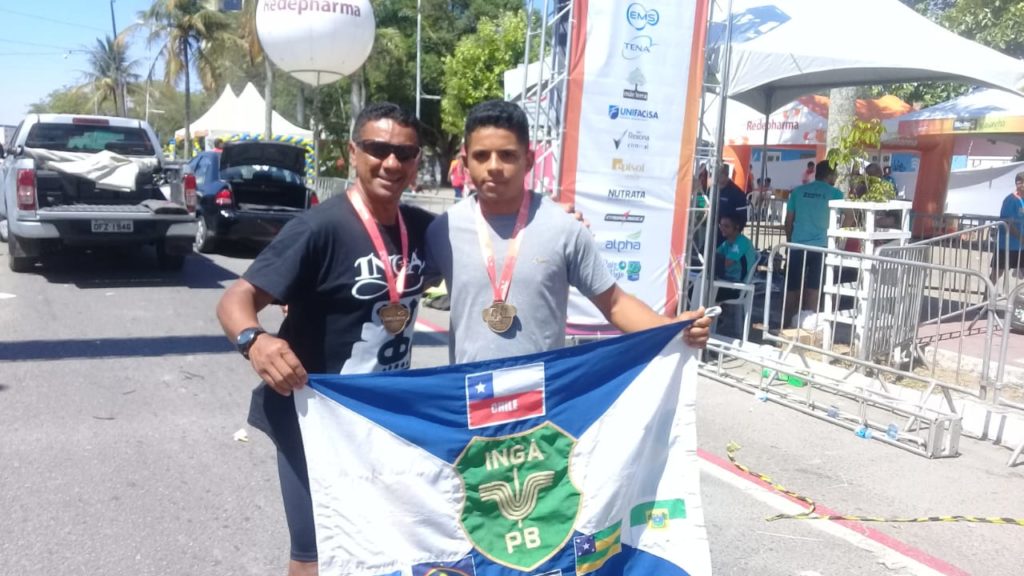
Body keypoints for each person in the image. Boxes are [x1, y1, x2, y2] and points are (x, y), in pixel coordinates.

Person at [216, 102, 434, 576]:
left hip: (381, 416)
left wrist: (555, 225)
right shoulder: (319, 227)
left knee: (381, 544)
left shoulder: (423, 229)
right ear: (353, 152)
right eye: (377, 149)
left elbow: (490, 243)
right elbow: (237, 298)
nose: (391, 163)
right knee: (315, 553)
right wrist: (255, 341)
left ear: (417, 160)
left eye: (405, 153)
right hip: (313, 415)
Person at [425, 99, 710, 363]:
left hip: (541, 395)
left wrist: (671, 328)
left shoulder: (564, 228)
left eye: (507, 155)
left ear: (529, 160)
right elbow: (404, 289)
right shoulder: (443, 230)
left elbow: (614, 304)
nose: (494, 167)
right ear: (465, 163)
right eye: (481, 156)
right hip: (470, 394)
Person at [784, 160, 844, 325]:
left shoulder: (798, 191)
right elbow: (850, 216)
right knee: (814, 289)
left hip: (797, 245)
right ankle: (808, 327)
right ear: (830, 175)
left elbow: (788, 221)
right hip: (821, 247)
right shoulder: (836, 193)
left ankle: (786, 325)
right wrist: (839, 238)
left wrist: (790, 241)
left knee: (792, 288)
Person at [715, 213, 758, 302]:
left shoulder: (742, 242)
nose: (722, 228)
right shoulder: (727, 242)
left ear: (737, 227)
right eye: (721, 225)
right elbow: (714, 256)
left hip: (736, 287)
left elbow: (726, 263)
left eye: (726, 226)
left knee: (701, 289)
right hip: (726, 282)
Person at [992, 172, 1024, 286]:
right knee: (997, 273)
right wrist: (1020, 237)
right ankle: (986, 295)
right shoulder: (1010, 200)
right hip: (1007, 245)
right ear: (1018, 184)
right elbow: (1007, 222)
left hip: (1021, 247)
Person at [716, 164, 747, 244]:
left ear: (726, 175)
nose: (716, 177)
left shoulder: (737, 193)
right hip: (712, 230)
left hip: (728, 235)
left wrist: (733, 234)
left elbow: (742, 217)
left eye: (719, 174)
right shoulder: (712, 190)